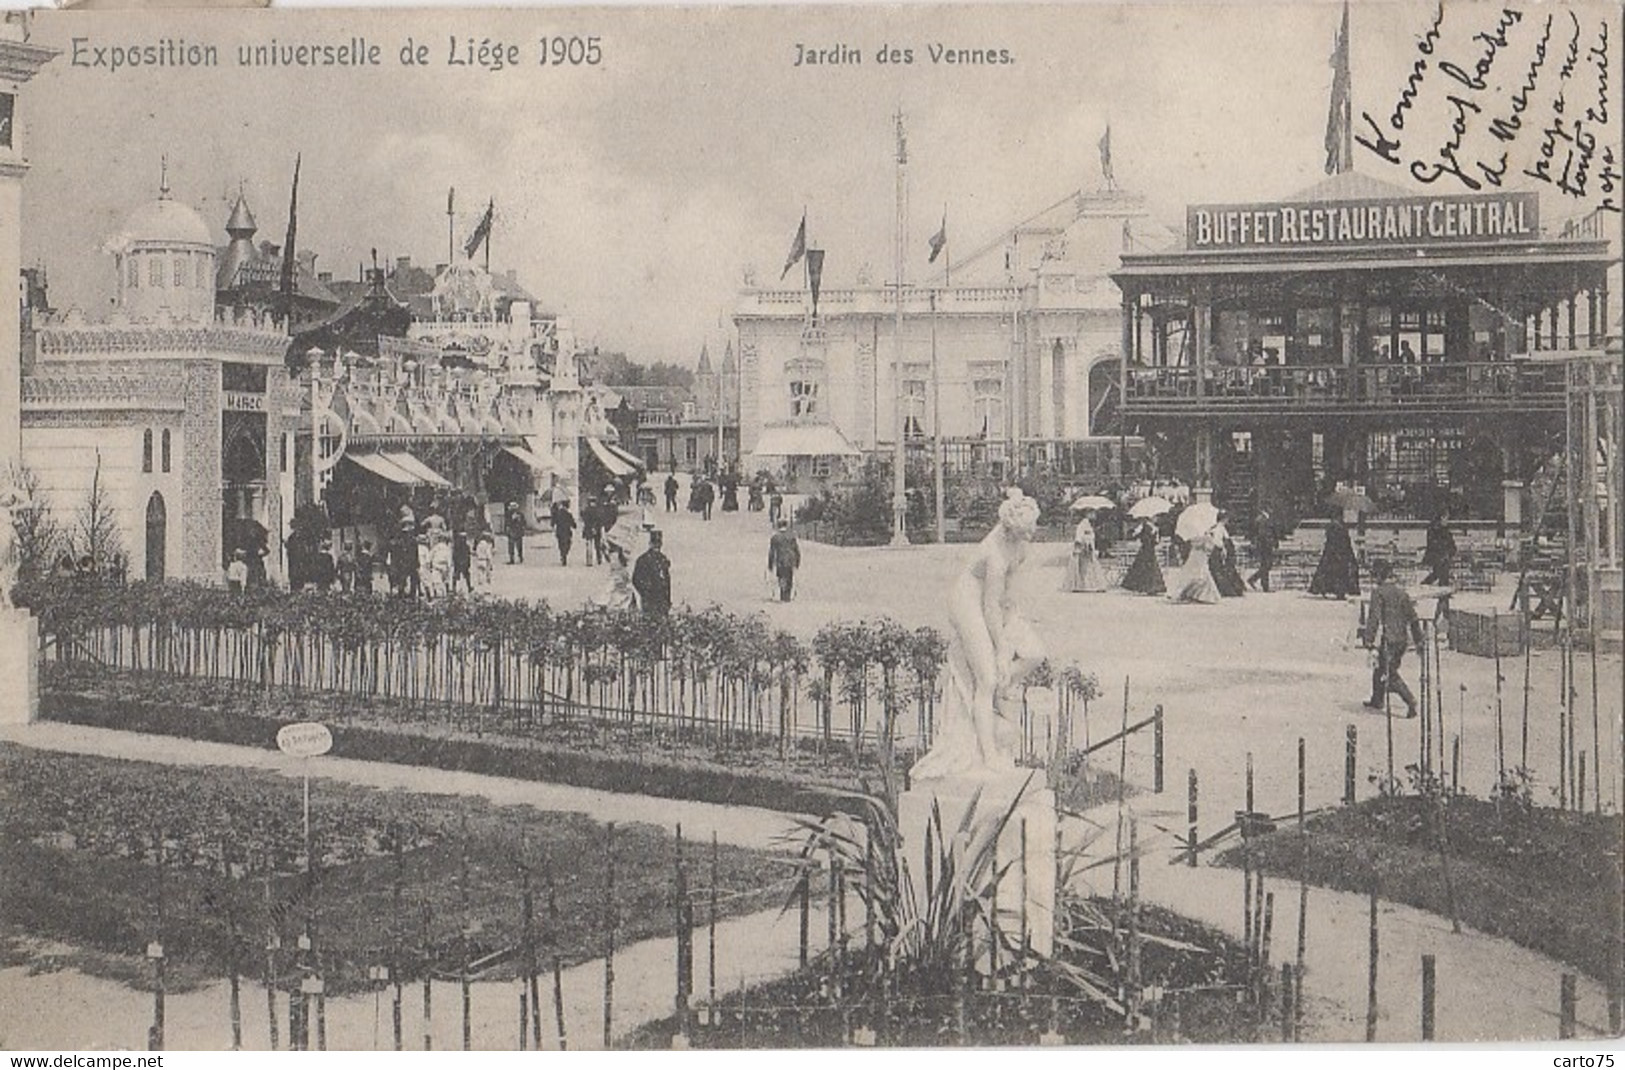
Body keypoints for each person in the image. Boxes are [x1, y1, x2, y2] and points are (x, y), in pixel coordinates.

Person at [910, 488, 1045, 780]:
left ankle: (1003, 687)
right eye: (1028, 529)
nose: (1034, 532)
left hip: (996, 602)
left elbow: (1008, 595)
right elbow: (989, 608)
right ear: (1012, 532)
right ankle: (988, 753)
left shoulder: (1018, 539)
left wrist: (1013, 631)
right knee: (987, 677)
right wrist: (1000, 650)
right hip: (967, 603)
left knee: (1035, 653)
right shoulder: (994, 557)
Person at [1362, 559, 1422, 718]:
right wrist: (1419, 641)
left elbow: (1373, 618)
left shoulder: (1378, 592)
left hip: (1389, 639)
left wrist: (1368, 640)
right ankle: (1377, 699)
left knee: (1389, 673)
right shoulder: (1402, 593)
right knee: (1380, 669)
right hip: (1402, 639)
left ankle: (1411, 701)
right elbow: (1413, 619)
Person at [1309, 515, 1360, 599]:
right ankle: (1339, 592)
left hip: (1333, 555)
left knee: (1331, 573)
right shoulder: (1340, 529)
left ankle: (1328, 590)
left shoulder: (1333, 528)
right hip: (1339, 555)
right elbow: (1345, 543)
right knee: (1339, 574)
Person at [1167, 529, 1221, 604]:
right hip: (1195, 556)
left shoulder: (1207, 538)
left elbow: (1209, 548)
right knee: (1193, 574)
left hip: (1200, 557)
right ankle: (1187, 593)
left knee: (1200, 574)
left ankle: (1200, 595)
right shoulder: (1198, 537)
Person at [632, 529, 673, 617]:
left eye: (659, 544)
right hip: (650, 600)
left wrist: (668, 599)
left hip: (662, 601)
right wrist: (646, 591)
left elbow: (667, 581)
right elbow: (636, 579)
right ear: (650, 544)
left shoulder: (662, 559)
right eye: (654, 543)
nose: (657, 546)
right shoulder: (643, 560)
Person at [1064, 514, 1108, 593]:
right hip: (1084, 548)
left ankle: (1092, 585)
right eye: (1092, 513)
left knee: (1091, 566)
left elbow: (1091, 536)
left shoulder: (1090, 525)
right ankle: (1083, 585)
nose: (1094, 515)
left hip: (1089, 547)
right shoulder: (1083, 524)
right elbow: (1079, 537)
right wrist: (1084, 544)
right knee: (1084, 568)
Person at [1120, 519, 1166, 595]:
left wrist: (1155, 535)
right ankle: (1145, 587)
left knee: (1149, 568)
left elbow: (1156, 541)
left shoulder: (1153, 527)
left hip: (1149, 550)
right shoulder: (1145, 525)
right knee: (1144, 568)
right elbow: (1136, 535)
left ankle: (1151, 587)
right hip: (1146, 550)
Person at [1208, 511, 1247, 597]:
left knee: (1217, 570)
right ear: (1224, 519)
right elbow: (1218, 541)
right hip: (1219, 550)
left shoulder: (1214, 527)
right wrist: (1223, 549)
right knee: (1221, 571)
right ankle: (1227, 590)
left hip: (1214, 550)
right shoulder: (1220, 528)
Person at [767, 517, 802, 602]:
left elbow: (772, 552)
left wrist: (770, 564)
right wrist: (797, 561)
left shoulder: (775, 537)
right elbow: (797, 550)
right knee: (789, 577)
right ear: (787, 525)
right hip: (790, 560)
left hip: (780, 561)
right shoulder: (792, 536)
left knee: (781, 577)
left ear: (778, 526)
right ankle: (787, 595)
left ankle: (783, 594)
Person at [1420, 513, 1456, 586]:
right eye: (1446, 519)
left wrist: (1451, 550)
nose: (1447, 521)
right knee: (1441, 573)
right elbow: (1434, 545)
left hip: (1443, 556)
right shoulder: (1435, 530)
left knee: (1439, 573)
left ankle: (1426, 584)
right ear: (1441, 518)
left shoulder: (1445, 530)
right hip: (1438, 556)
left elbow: (1451, 543)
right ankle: (1441, 591)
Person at [1247, 510, 1278, 592]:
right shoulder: (1262, 520)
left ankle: (1264, 585)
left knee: (1265, 565)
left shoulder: (1265, 519)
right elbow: (1262, 534)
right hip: (1265, 546)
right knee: (1267, 565)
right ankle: (1254, 580)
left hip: (1266, 545)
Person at [551, 500, 576, 566]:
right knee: (568, 543)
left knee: (561, 544)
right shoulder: (568, 514)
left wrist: (553, 526)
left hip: (559, 531)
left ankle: (562, 554)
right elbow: (573, 523)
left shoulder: (558, 513)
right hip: (567, 531)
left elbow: (553, 521)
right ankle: (564, 554)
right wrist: (574, 525)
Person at [452, 529, 473, 593]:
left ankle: (454, 588)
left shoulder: (457, 546)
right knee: (464, 575)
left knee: (457, 575)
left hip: (460, 562)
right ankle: (468, 587)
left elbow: (454, 555)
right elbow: (468, 555)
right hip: (462, 562)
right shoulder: (466, 546)